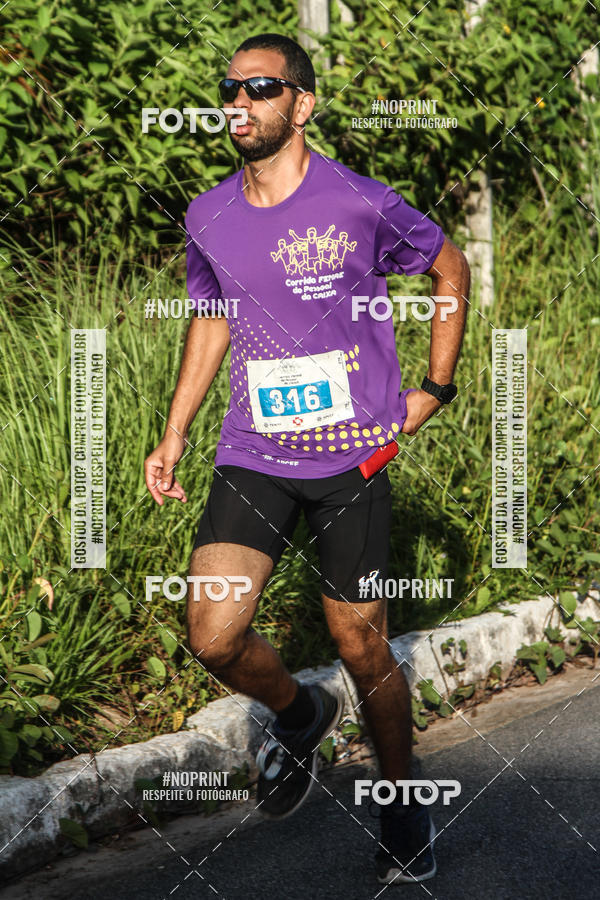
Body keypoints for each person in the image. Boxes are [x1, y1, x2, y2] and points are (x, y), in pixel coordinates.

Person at [144, 32, 469, 885]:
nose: (239, 103)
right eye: (231, 88)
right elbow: (211, 318)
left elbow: (448, 268)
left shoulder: (359, 201)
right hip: (253, 449)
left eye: (261, 87)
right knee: (213, 633)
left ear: (303, 104)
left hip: (352, 459)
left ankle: (403, 811)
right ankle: (300, 711)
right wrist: (176, 429)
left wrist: (434, 387)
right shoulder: (208, 214)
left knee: (362, 644)